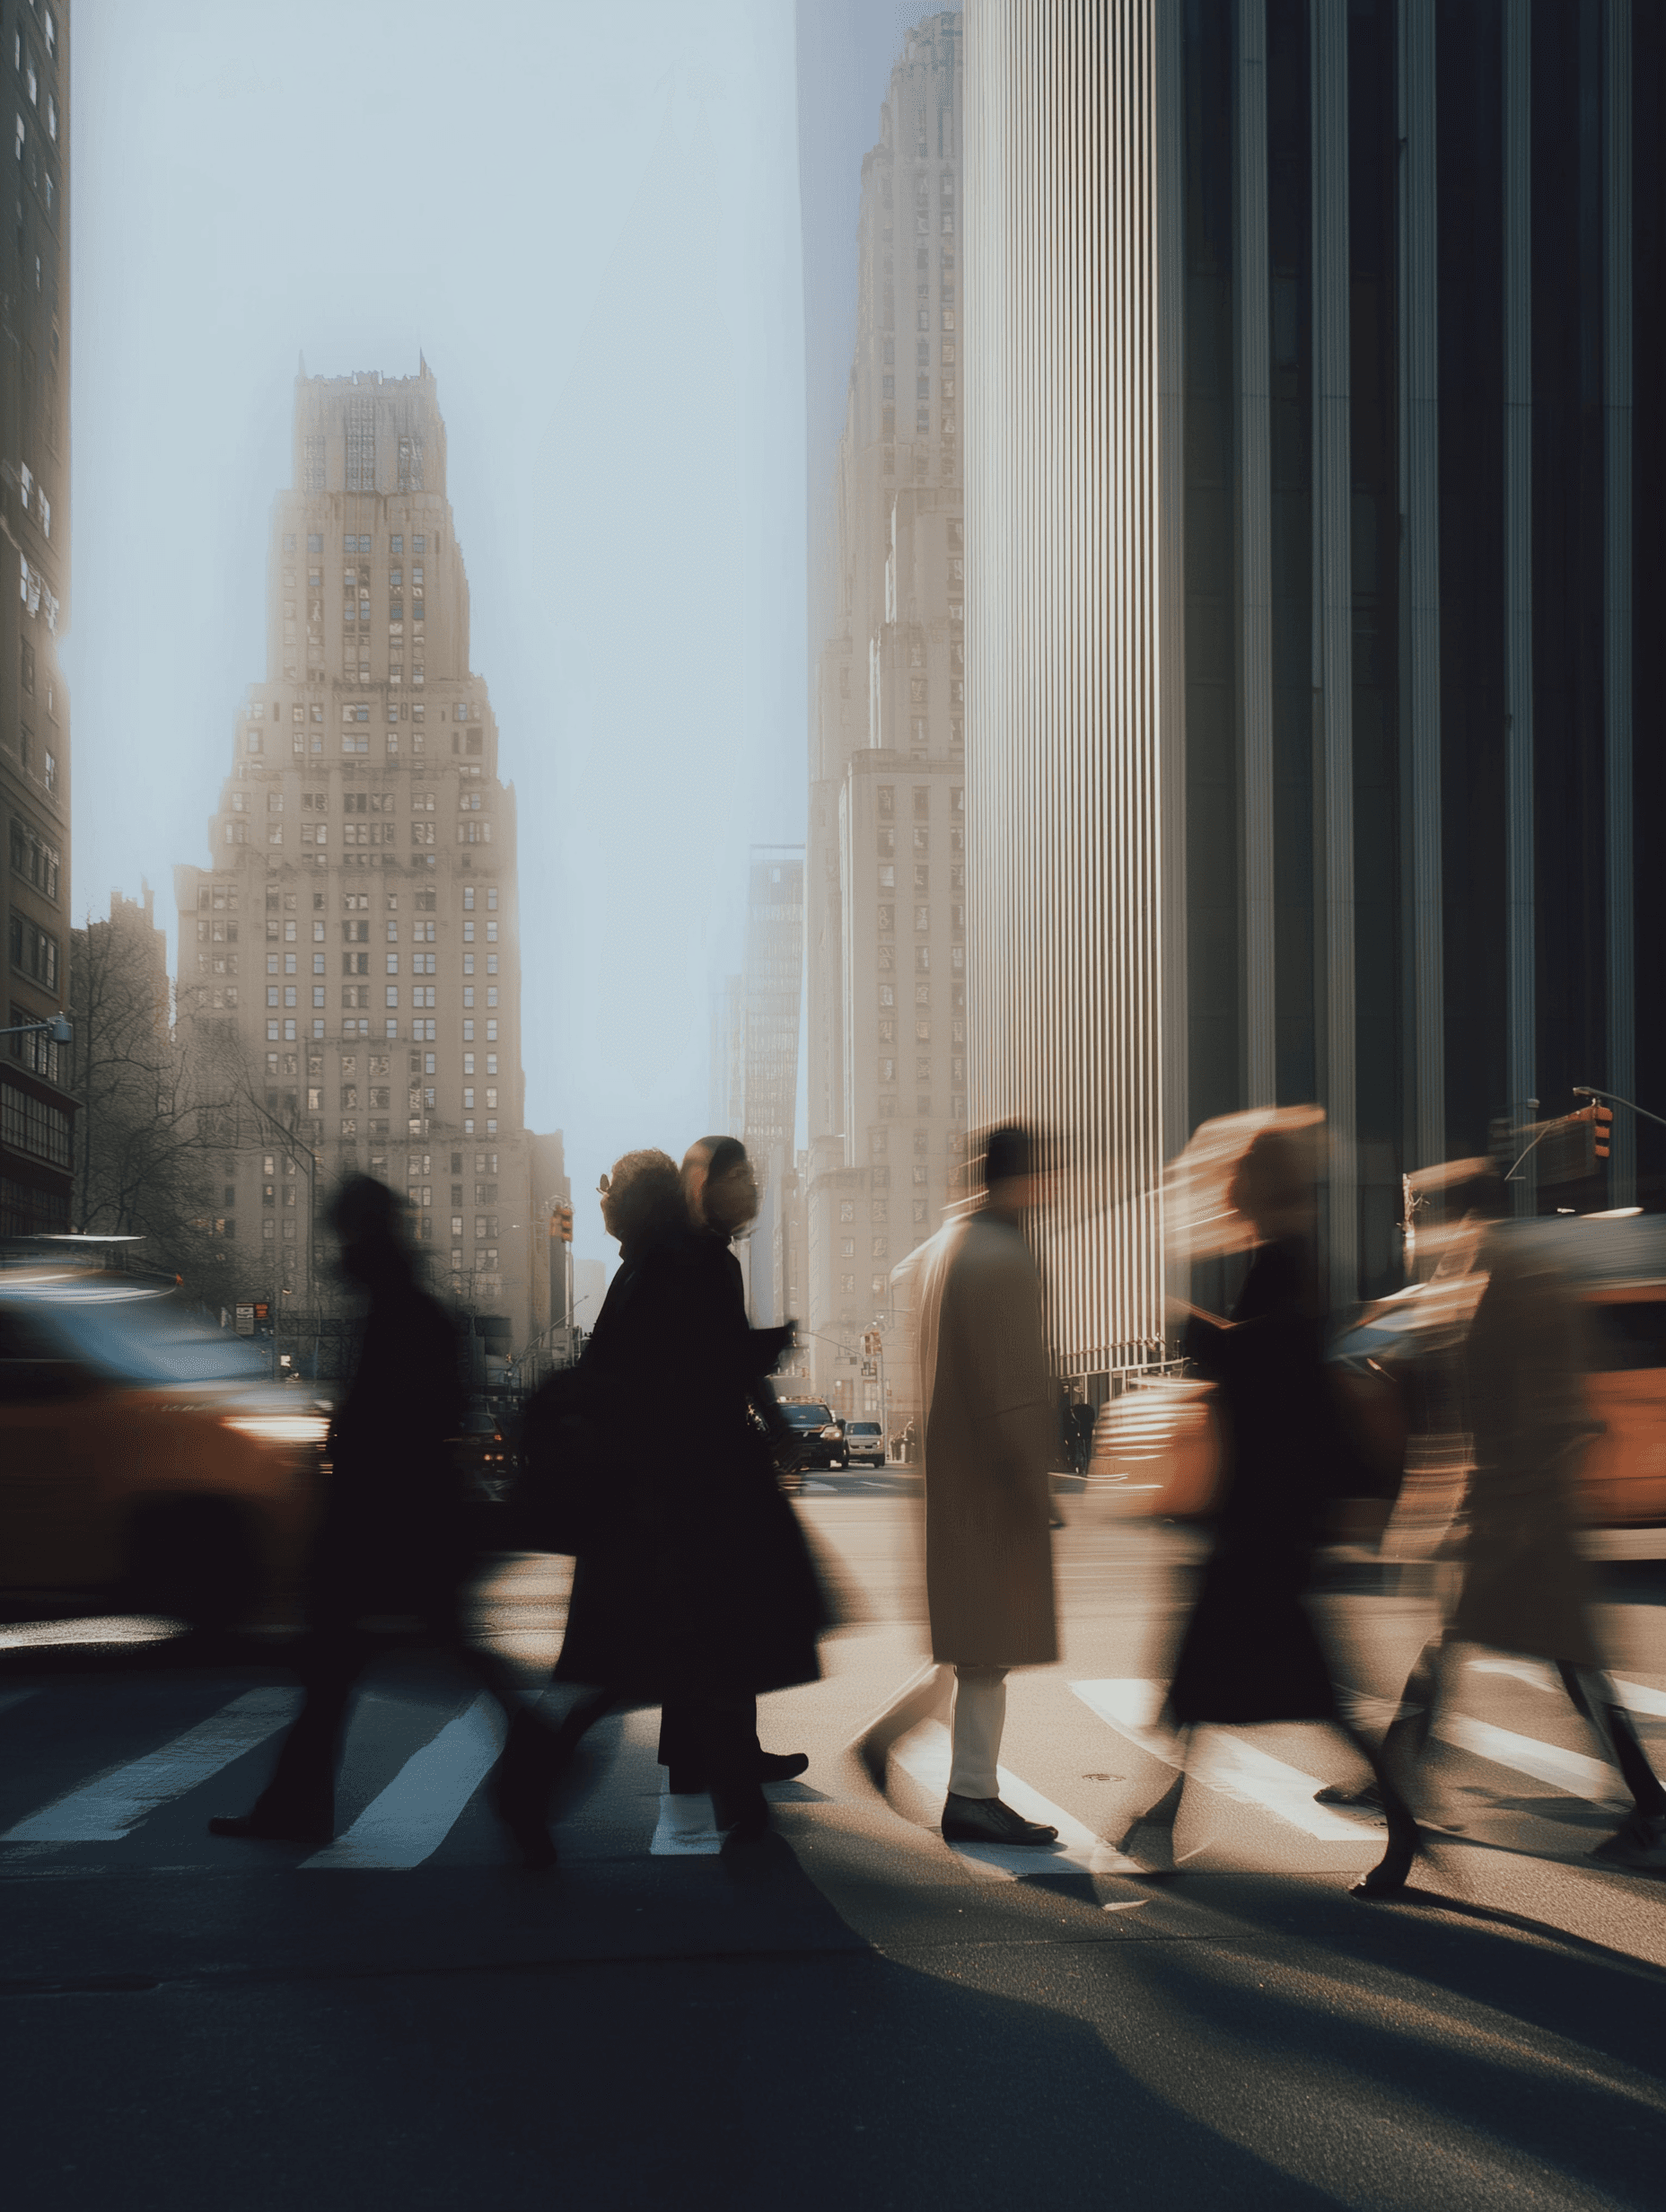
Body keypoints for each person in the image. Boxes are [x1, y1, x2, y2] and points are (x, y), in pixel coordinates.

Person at [210, 1175, 557, 1866]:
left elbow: (400, 1425)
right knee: (348, 1661)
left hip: (390, 1524)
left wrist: (346, 1454)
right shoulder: (406, 1306)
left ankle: (533, 1740)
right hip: (406, 1521)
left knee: (357, 1658)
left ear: (365, 1234)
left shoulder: (401, 1312)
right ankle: (297, 1804)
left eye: (343, 1233)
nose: (335, 1249)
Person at [1112, 1123, 1421, 1899]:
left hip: (1268, 1516)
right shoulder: (1285, 1254)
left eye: (1240, 1177)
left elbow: (1275, 1371)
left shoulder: (1289, 1258)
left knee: (1285, 1687)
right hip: (1265, 1511)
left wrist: (1199, 1334)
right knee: (1213, 1679)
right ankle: (1161, 1817)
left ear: (1260, 1185)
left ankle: (1404, 1828)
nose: (1228, 1188)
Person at [1324, 1175, 1666, 1872]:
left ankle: (1653, 1808)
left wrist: (1516, 1513)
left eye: (1419, 1220)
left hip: (1524, 1519)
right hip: (1502, 1514)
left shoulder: (1519, 1285)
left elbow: (1557, 1411)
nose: (1413, 1235)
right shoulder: (1479, 1281)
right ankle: (1394, 1777)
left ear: (1463, 1218)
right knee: (1533, 1660)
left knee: (1553, 1662)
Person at [528, 1146, 829, 1848]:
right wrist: (767, 1353)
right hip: (674, 1502)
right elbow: (701, 1371)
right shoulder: (677, 1266)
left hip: (648, 1502)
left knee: (668, 1660)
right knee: (675, 1658)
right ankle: (536, 1782)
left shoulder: (645, 1267)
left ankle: (728, 1795)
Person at [849, 1124, 1061, 1848]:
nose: (1054, 1187)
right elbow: (1011, 1393)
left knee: (971, 1648)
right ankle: (971, 1794)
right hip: (992, 1482)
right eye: (1046, 1173)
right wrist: (1036, 1492)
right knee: (986, 1654)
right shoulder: (1001, 1255)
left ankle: (889, 1739)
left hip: (955, 1477)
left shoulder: (944, 1248)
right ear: (1021, 1177)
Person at [656, 1136, 809, 1801]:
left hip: (701, 1467)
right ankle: (727, 1760)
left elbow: (727, 1359)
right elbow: (720, 1359)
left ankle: (706, 1756)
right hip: (706, 1473)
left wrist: (775, 1425)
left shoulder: (703, 1257)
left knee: (709, 1623)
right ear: (702, 1185)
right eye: (738, 1176)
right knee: (728, 1619)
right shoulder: (700, 1261)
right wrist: (769, 1355)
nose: (751, 1188)